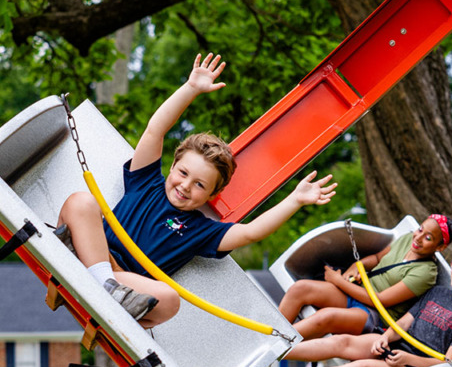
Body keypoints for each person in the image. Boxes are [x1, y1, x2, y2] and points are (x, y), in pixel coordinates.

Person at [55, 53, 337, 327]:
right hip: (95, 253)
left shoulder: (202, 230)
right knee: (82, 201)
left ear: (211, 195)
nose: (185, 186)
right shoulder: (146, 181)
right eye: (183, 173)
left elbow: (251, 232)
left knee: (169, 299)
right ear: (174, 165)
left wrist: (295, 200)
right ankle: (100, 279)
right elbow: (155, 130)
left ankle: (109, 293)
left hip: (127, 283)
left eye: (199, 185)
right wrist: (190, 89)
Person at [260, 243, 452, 367]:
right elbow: (404, 323)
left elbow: (448, 363)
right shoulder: (439, 293)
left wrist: (408, 359)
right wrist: (385, 338)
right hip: (396, 346)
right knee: (341, 342)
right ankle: (268, 351)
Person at [277, 215, 452, 340]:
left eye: (428, 237)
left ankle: (275, 346)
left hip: (375, 315)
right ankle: (266, 337)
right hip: (359, 291)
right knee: (300, 289)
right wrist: (356, 266)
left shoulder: (426, 272)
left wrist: (338, 281)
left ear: (440, 247)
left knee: (326, 317)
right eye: (420, 229)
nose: (418, 238)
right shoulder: (406, 240)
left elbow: (381, 301)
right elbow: (378, 258)